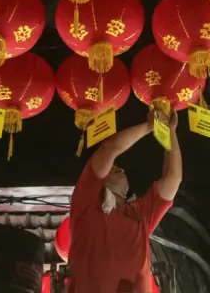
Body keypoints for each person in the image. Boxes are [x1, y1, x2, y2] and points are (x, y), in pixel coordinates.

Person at [67, 107, 182, 293]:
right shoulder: (87, 199)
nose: (119, 169)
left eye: (120, 168)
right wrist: (148, 127)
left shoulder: (140, 213)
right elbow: (110, 148)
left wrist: (170, 133)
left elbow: (173, 178)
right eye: (113, 168)